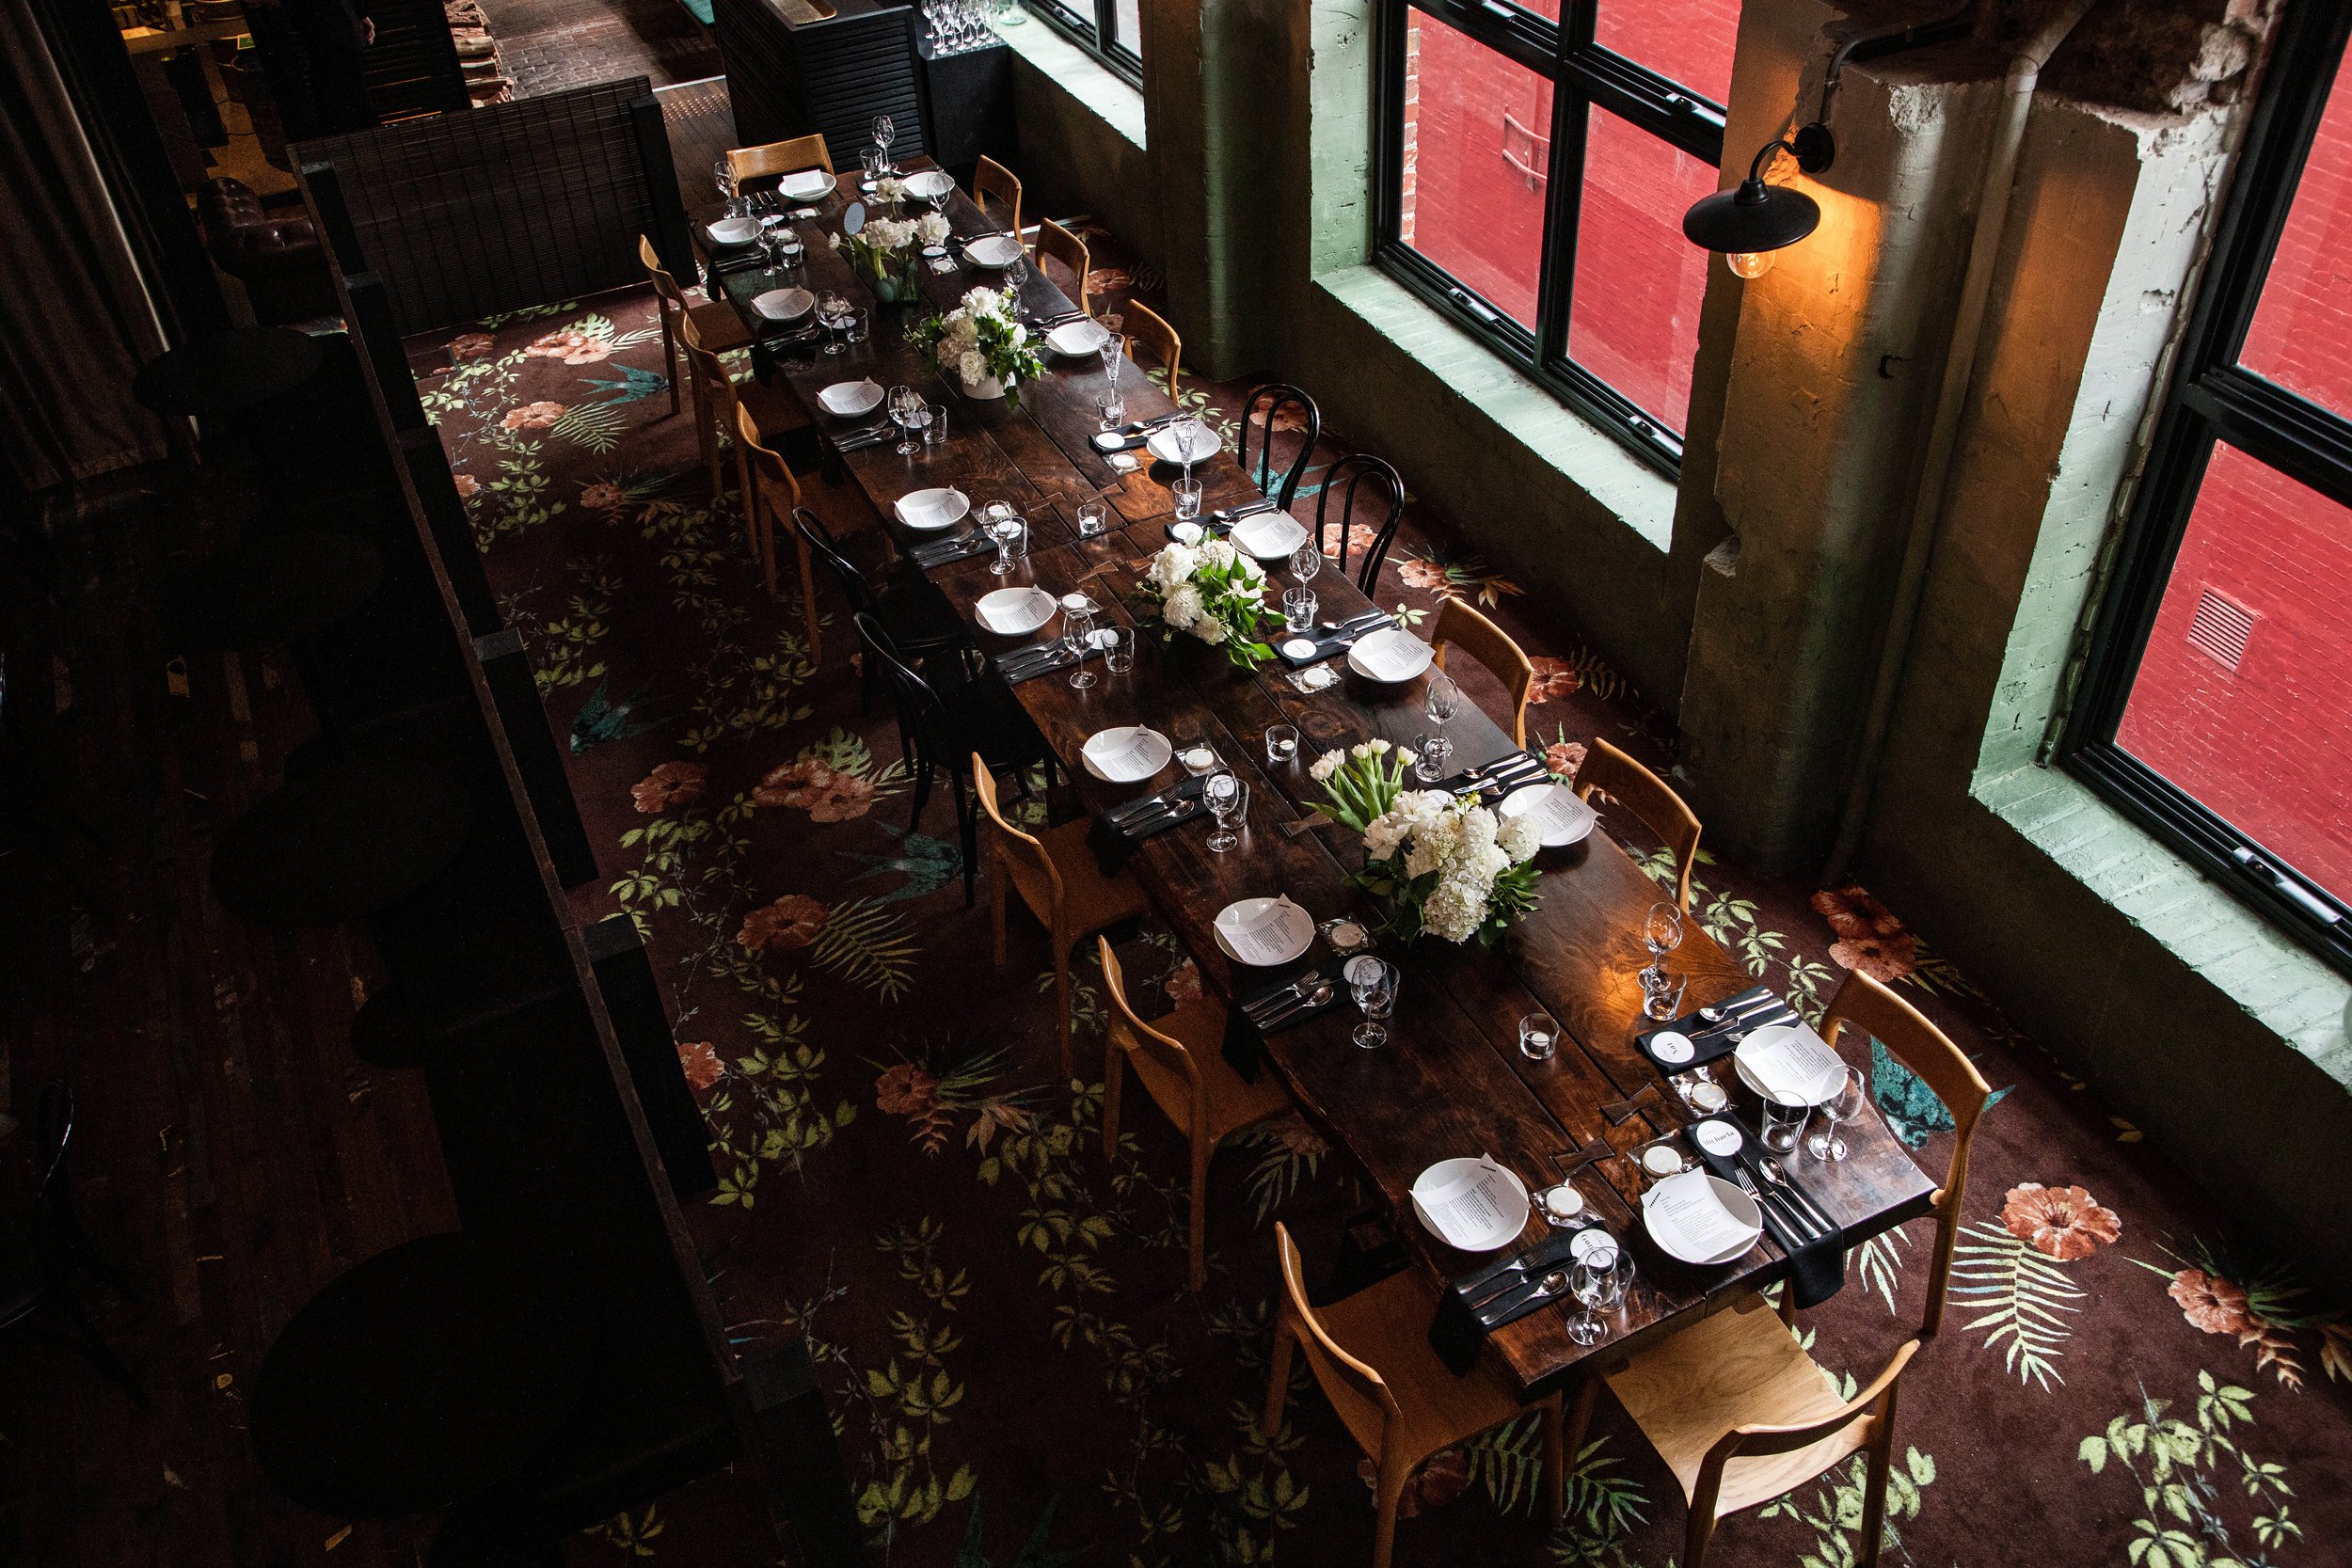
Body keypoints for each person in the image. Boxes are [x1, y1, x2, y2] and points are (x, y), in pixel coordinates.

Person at [301, 0, 379, 136]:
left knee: (336, 101)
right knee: (354, 94)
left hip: (329, 35)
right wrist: (360, 15)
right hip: (343, 32)